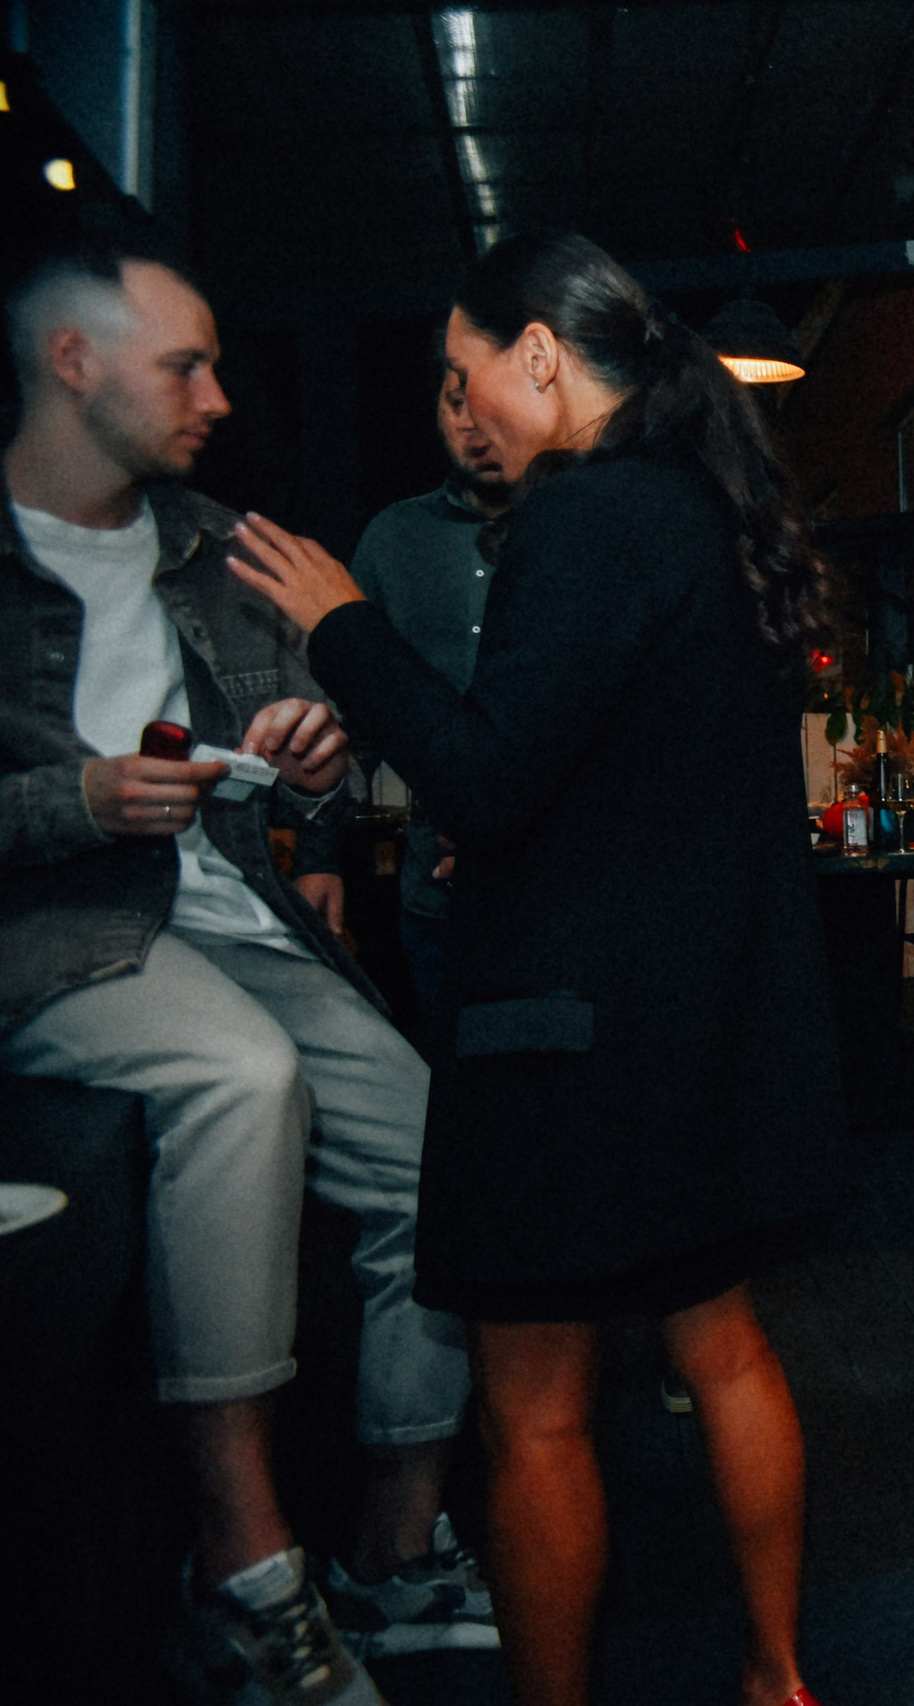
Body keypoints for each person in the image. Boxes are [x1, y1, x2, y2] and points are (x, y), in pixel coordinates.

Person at [227, 230, 837, 1706]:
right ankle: (775, 1677)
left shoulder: (586, 513)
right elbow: (634, 778)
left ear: (542, 357)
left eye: (464, 375)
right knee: (727, 1352)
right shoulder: (707, 504)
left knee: (539, 1415)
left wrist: (343, 630)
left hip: (562, 1037)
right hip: (698, 1022)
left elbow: (494, 776)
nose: (461, 410)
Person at [0, 242, 484, 1705]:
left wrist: (317, 773)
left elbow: (317, 767)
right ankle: (245, 1571)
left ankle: (392, 1556)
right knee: (240, 1074)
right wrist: (74, 802)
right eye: (183, 366)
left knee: (442, 1153)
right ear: (73, 364)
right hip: (64, 931)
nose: (217, 393)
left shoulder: (213, 541)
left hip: (242, 919)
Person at [345, 361, 513, 1022]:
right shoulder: (393, 538)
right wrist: (317, 858)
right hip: (434, 895)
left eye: (488, 404)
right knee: (450, 1101)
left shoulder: (576, 532)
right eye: (454, 403)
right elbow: (349, 712)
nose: (472, 424)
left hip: (557, 894)